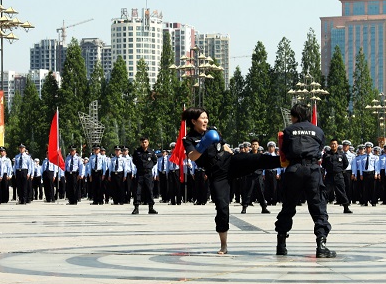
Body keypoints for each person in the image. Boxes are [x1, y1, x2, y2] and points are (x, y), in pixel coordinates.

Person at [182, 107, 281, 255]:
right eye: (203, 118)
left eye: (206, 117)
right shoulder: (189, 138)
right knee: (222, 208)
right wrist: (203, 144)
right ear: (194, 121)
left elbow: (225, 145)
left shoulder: (212, 130)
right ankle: (224, 245)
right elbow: (192, 157)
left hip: (229, 162)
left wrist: (228, 149)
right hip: (216, 173)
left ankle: (284, 161)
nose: (206, 120)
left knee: (256, 159)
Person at [274, 104, 335, 258]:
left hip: (294, 170)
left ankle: (281, 244)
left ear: (296, 116)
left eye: (293, 116)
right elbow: (320, 149)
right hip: (313, 171)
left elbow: (285, 151)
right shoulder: (318, 131)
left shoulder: (288, 131)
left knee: (288, 206)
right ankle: (321, 245)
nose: (292, 119)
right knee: (318, 207)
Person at [322, 138, 351, 213]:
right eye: (332, 144)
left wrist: (339, 170)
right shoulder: (326, 154)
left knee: (342, 191)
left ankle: (346, 207)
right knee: (325, 192)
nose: (333, 145)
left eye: (335, 144)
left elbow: (346, 164)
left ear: (337, 145)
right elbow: (323, 164)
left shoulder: (341, 154)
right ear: (330, 145)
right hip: (329, 176)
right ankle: (322, 208)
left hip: (339, 175)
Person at [132, 137, 158, 214]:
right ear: (140, 143)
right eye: (142, 142)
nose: (144, 143)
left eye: (145, 142)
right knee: (137, 190)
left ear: (148, 143)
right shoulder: (137, 152)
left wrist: (149, 166)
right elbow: (134, 160)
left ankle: (151, 208)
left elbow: (155, 161)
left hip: (148, 173)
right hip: (140, 173)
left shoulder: (151, 152)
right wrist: (139, 166)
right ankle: (136, 207)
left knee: (150, 190)